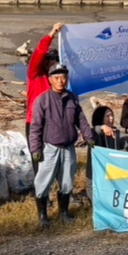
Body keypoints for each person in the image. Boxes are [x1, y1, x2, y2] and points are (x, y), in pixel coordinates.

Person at [29, 62, 94, 228]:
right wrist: (36, 149)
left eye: (63, 77)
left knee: (67, 181)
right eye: (57, 77)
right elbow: (35, 127)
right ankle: (43, 214)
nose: (60, 81)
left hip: (69, 148)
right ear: (50, 80)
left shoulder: (72, 98)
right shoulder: (42, 100)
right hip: (50, 147)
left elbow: (81, 120)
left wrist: (89, 136)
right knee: (43, 181)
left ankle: (64, 211)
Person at [25, 23, 63, 171]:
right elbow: (38, 54)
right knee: (37, 157)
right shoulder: (35, 74)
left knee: (55, 157)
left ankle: (57, 187)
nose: (50, 61)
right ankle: (41, 191)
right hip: (35, 123)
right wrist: (51, 34)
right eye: (47, 58)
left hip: (54, 123)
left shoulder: (60, 80)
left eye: (54, 59)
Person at [86, 105, 128, 199]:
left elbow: (125, 141)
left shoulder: (115, 132)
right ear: (100, 118)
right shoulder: (93, 133)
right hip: (95, 177)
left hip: (111, 177)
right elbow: (91, 133)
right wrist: (102, 127)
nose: (111, 118)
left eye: (112, 115)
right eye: (108, 116)